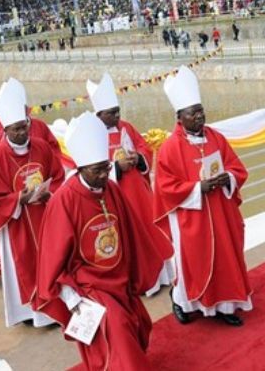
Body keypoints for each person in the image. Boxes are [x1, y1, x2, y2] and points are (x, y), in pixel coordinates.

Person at [34, 112, 173, 370]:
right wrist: (69, 295)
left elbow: (130, 232)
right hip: (88, 282)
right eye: (97, 170)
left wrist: (136, 268)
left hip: (117, 274)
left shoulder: (111, 189)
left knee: (138, 323)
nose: (103, 175)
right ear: (81, 168)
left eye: (106, 168)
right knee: (116, 328)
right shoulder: (65, 200)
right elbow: (54, 255)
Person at [154, 66, 251, 326]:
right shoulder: (169, 148)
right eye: (193, 113)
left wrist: (227, 178)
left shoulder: (216, 137)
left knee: (225, 258)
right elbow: (165, 187)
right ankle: (182, 301)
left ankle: (225, 305)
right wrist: (198, 188)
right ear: (179, 116)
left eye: (201, 110)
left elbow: (237, 168)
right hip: (191, 216)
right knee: (192, 262)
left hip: (221, 210)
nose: (199, 116)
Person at [0, 93, 64, 327]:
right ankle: (31, 314)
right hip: (17, 222)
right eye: (15, 129)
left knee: (54, 258)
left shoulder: (42, 147)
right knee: (24, 265)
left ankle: (58, 304)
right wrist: (17, 199)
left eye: (24, 127)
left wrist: (50, 192)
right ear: (5, 130)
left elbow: (58, 175)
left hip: (45, 214)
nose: (22, 133)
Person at [87, 73, 175, 295]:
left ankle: (161, 277)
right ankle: (139, 281)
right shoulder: (92, 133)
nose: (116, 116)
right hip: (115, 194)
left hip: (138, 192)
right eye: (111, 113)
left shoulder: (126, 126)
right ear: (99, 114)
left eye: (117, 111)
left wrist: (138, 158)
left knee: (150, 231)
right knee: (128, 238)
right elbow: (89, 165)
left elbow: (143, 145)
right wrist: (116, 168)